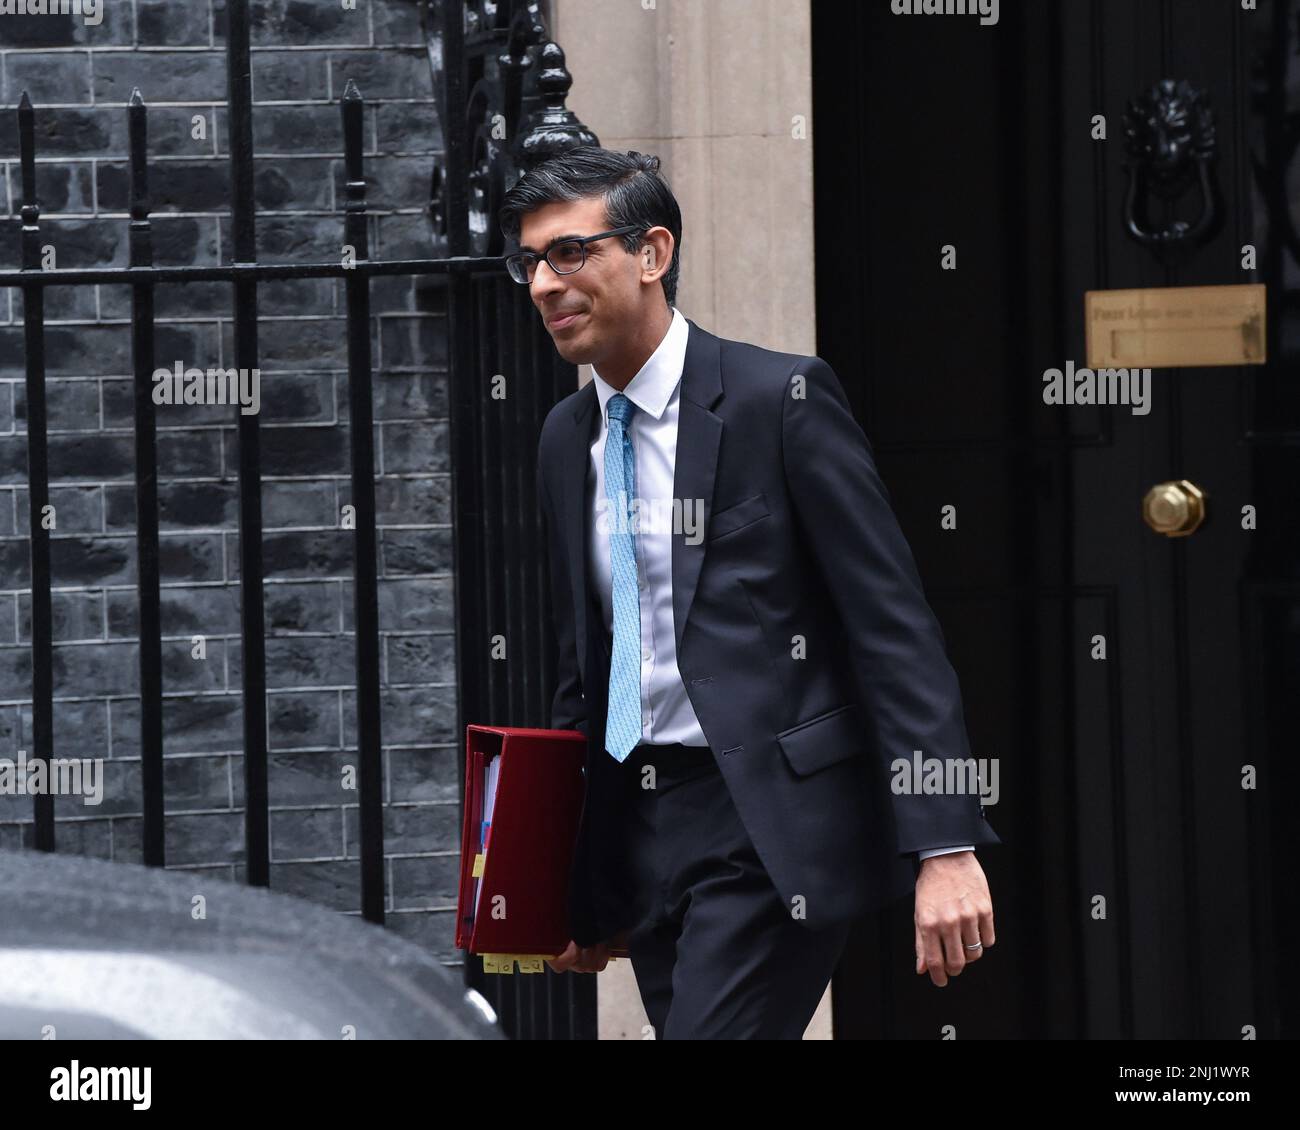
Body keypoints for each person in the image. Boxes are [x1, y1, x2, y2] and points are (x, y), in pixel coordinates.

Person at [498, 147, 1000, 1039]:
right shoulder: (563, 436)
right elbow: (589, 668)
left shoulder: (780, 400)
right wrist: (564, 878)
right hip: (640, 824)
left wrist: (946, 842)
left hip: (767, 822)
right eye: (531, 261)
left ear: (652, 253)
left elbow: (893, 630)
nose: (544, 282)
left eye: (570, 253)